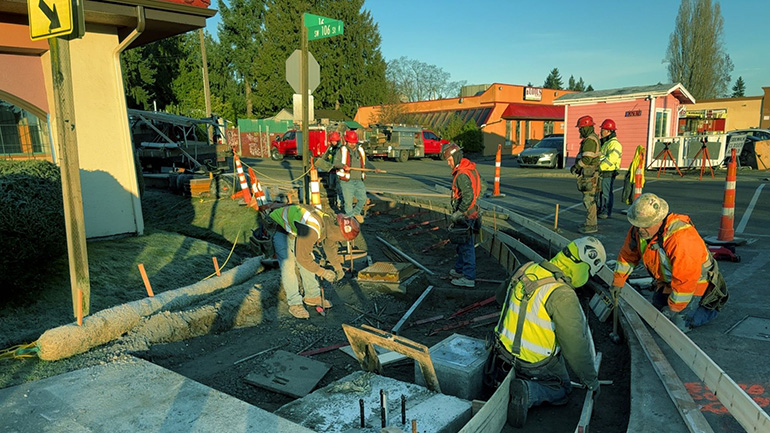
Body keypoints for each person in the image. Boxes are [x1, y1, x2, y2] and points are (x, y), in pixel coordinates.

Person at [485, 237, 607, 428]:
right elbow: (575, 347)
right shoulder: (563, 294)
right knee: (563, 388)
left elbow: (501, 297)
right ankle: (529, 391)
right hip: (533, 363)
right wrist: (591, 380)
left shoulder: (527, 268)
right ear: (583, 268)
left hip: (500, 348)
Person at [611, 193, 729, 333]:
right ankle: (675, 306)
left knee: (675, 326)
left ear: (658, 220)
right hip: (668, 283)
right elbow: (627, 257)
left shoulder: (681, 238)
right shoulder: (639, 230)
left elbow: (686, 279)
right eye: (638, 225)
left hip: (696, 286)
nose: (640, 230)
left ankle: (709, 308)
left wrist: (673, 308)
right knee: (655, 315)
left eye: (645, 226)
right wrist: (618, 282)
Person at [268, 204, 359, 319]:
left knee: (308, 260)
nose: (343, 241)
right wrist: (322, 272)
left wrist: (337, 267)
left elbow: (329, 245)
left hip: (296, 229)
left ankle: (312, 295)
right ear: (338, 231)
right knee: (288, 265)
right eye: (343, 239)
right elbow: (302, 257)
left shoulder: (329, 224)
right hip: (280, 228)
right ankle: (294, 303)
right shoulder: (313, 227)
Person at [443, 142, 485, 288]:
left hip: (466, 216)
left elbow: (468, 195)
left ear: (455, 157)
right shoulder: (470, 169)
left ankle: (468, 277)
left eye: (449, 160)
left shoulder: (461, 174)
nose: (448, 163)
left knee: (466, 247)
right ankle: (460, 270)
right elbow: (482, 186)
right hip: (472, 212)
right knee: (462, 244)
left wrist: (459, 212)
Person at [332, 130, 381, 223]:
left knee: (362, 199)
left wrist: (374, 169)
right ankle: (350, 220)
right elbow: (335, 163)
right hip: (346, 180)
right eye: (350, 142)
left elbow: (366, 163)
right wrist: (343, 166)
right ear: (346, 141)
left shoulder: (360, 150)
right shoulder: (342, 150)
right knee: (348, 203)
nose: (352, 144)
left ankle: (356, 213)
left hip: (358, 180)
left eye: (354, 142)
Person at [570, 115, 602, 234]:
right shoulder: (592, 138)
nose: (579, 130)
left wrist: (577, 166)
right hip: (591, 173)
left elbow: (587, 159)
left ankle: (591, 225)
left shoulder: (589, 140)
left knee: (589, 199)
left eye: (581, 128)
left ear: (586, 128)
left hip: (589, 174)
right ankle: (590, 222)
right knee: (590, 199)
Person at [596, 119, 623, 219]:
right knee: (601, 192)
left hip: (608, 171)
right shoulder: (606, 143)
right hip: (604, 171)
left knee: (606, 193)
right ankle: (602, 209)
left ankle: (606, 211)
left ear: (608, 131)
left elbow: (612, 158)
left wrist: (600, 167)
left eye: (603, 130)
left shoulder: (614, 144)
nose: (601, 132)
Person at [319, 131, 344, 211]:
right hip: (331, 170)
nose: (333, 142)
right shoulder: (330, 148)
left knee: (339, 188)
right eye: (332, 141)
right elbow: (325, 156)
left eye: (334, 141)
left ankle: (340, 204)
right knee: (332, 186)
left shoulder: (341, 149)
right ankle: (336, 202)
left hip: (338, 171)